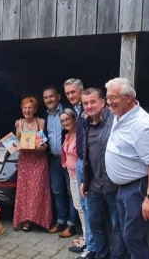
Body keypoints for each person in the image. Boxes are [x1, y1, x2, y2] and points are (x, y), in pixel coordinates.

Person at [105, 78, 149, 259]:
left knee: (133, 238)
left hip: (138, 189)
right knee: (126, 236)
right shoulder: (119, 115)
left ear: (129, 97)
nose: (109, 102)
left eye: (113, 97)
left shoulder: (143, 126)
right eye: (107, 97)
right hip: (123, 189)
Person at [80, 88, 126, 259]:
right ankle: (101, 255)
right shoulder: (85, 124)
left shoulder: (115, 121)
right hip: (95, 186)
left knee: (118, 226)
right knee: (95, 223)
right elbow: (87, 155)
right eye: (86, 103)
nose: (89, 106)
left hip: (115, 186)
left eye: (93, 102)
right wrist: (86, 180)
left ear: (103, 102)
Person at [64, 78, 96, 257]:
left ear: (81, 90)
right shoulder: (77, 111)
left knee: (87, 206)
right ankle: (87, 241)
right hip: (79, 163)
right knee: (81, 205)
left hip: (86, 163)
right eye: (67, 93)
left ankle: (91, 246)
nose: (70, 96)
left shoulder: (87, 111)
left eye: (73, 92)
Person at [13, 96, 52, 232]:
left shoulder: (41, 122)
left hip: (38, 160)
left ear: (35, 109)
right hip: (25, 160)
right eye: (25, 108)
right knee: (25, 191)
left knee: (39, 191)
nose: (27, 110)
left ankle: (42, 219)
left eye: (30, 107)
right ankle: (26, 220)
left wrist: (40, 147)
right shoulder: (19, 123)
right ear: (22, 109)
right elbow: (16, 143)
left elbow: (43, 144)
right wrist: (17, 147)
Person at [43, 86, 78, 235]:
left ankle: (72, 224)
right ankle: (60, 221)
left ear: (58, 96)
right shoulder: (43, 116)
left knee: (72, 192)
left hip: (69, 157)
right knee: (57, 191)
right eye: (46, 97)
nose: (49, 100)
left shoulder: (69, 112)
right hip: (53, 158)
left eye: (51, 96)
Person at [60, 108, 87, 255]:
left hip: (80, 176)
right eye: (63, 121)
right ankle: (86, 237)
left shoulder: (80, 135)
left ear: (74, 119)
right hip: (71, 174)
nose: (65, 122)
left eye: (67, 119)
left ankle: (88, 240)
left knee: (83, 208)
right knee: (78, 205)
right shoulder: (68, 134)